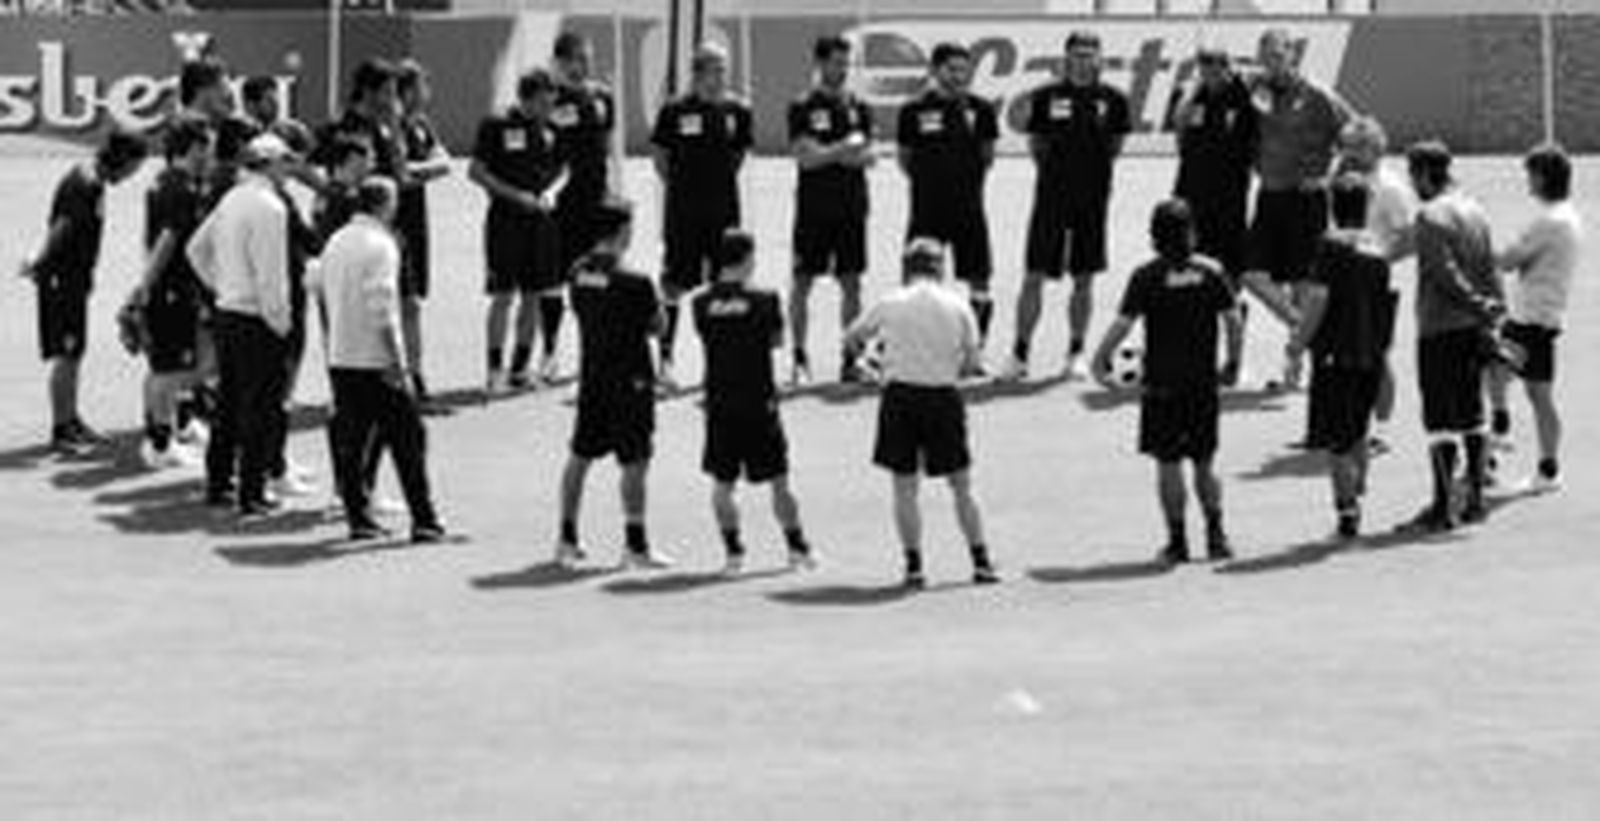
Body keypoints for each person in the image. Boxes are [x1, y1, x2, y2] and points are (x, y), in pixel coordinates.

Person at [1092, 199, 1243, 563]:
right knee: (1205, 464)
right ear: (1191, 231)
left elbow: (1123, 323)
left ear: (1154, 236)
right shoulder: (1211, 271)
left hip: (1161, 386)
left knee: (1168, 464)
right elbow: (1233, 320)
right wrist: (1233, 362)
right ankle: (1217, 536)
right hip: (1202, 385)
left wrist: (1100, 360)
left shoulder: (1146, 276)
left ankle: (1177, 542)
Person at [844, 238, 997, 589]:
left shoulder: (892, 301)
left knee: (904, 487)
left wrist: (868, 363)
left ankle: (914, 566)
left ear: (906, 268)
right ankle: (981, 561)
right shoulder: (958, 305)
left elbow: (852, 336)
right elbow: (973, 362)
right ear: (940, 269)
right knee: (961, 485)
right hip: (943, 396)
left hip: (900, 397)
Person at [318, 177, 447, 543]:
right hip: (374, 359)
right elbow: (383, 309)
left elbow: (319, 287)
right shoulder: (382, 245)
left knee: (353, 439)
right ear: (384, 205)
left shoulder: (336, 240)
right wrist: (397, 362)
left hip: (342, 355)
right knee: (409, 437)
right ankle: (424, 519)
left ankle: (357, 517)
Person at [553, 202, 674, 570]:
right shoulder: (635, 280)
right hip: (630, 380)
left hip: (593, 376)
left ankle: (566, 538)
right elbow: (658, 327)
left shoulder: (576, 272)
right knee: (635, 460)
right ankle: (635, 545)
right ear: (623, 231)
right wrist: (662, 301)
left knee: (580, 456)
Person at [1005, 31, 1132, 382]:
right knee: (1033, 276)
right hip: (1050, 200)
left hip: (1092, 201)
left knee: (1084, 279)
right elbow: (1036, 144)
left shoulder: (1114, 100)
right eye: (1077, 54)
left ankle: (1075, 351)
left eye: (1091, 54)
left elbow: (1115, 146)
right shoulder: (1046, 97)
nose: (1084, 60)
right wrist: (1056, 177)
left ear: (1100, 59)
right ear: (1066, 58)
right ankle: (1019, 354)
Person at [691, 230, 816, 576]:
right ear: (747, 259)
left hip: (719, 403)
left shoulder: (700, 302)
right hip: (758, 400)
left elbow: (707, 336)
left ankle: (733, 553)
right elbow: (776, 340)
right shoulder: (765, 298)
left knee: (722, 483)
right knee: (779, 480)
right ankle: (797, 548)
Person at [186, 133, 296, 518]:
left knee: (230, 403)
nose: (290, 167)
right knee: (261, 407)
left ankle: (220, 484)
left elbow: (195, 249)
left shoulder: (232, 198)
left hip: (228, 313)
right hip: (257, 318)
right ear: (267, 163)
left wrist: (222, 286)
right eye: (285, 160)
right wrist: (280, 322)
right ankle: (252, 493)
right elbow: (272, 276)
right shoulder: (270, 206)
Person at [1240, 28, 1357, 389]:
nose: (1272, 62)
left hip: (1307, 201)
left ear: (1293, 56)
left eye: (1278, 54)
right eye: (1266, 55)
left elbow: (1358, 136)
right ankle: (1303, 328)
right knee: (1252, 275)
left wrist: (1327, 177)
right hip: (1270, 196)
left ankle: (1296, 369)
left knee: (1302, 285)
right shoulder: (1257, 91)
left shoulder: (1319, 95)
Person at [18, 129, 148, 455]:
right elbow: (61, 226)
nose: (133, 176)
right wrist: (39, 258)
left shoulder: (94, 180)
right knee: (67, 354)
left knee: (75, 353)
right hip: (61, 280)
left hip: (74, 281)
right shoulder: (85, 183)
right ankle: (61, 430)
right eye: (135, 168)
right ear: (123, 159)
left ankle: (72, 421)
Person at [1403, 140, 1505, 532]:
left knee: (1440, 420)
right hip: (1473, 329)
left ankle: (1443, 509)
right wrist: (1494, 311)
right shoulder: (1474, 209)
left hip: (1441, 327)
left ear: (1426, 174)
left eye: (1413, 175)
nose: (1413, 184)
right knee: (1472, 414)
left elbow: (1445, 275)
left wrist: (1478, 305)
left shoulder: (1430, 215)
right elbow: (1490, 267)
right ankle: (1475, 502)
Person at [1286, 175, 1396, 539]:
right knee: (1358, 430)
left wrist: (1298, 344)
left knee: (1336, 442)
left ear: (1333, 206)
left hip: (1334, 354)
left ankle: (1347, 513)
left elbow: (1317, 299)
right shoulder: (1378, 248)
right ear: (1365, 207)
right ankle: (1358, 485)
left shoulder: (1330, 245)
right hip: (1370, 354)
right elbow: (1384, 307)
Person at [650, 42, 753, 390]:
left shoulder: (738, 109)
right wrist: (684, 191)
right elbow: (660, 157)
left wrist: (715, 188)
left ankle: (717, 366)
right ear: (698, 73)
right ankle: (665, 361)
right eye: (716, 69)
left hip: (724, 212)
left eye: (725, 69)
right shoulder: (675, 110)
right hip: (682, 213)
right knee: (675, 284)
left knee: (722, 286)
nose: (722, 76)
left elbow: (738, 156)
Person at [895, 43, 1000, 370]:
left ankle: (973, 354)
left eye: (963, 69)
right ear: (935, 70)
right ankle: (916, 353)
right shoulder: (913, 109)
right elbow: (905, 159)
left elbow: (987, 156)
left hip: (969, 210)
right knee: (918, 284)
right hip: (927, 210)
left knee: (979, 281)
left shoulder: (981, 109)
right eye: (951, 69)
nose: (958, 76)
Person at [1487, 144, 1582, 493]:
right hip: (1545, 316)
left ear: (1541, 178)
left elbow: (1508, 260)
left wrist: (1477, 247)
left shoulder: (1548, 221)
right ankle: (1547, 469)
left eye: (1530, 173)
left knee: (1494, 372)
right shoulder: (1566, 216)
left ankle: (1499, 433)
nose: (1527, 180)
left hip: (1529, 318)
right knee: (1537, 393)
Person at [470, 68, 568, 396]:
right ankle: (494, 370)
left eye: (551, 102)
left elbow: (562, 168)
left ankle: (520, 368)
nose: (548, 108)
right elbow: (477, 172)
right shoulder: (496, 125)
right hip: (505, 222)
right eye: (543, 102)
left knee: (534, 295)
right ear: (526, 99)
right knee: (503, 296)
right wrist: (516, 196)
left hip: (541, 222)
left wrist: (551, 192)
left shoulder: (552, 129)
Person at [787, 34, 875, 385]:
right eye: (837, 62)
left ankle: (851, 359)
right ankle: (799, 358)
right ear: (820, 63)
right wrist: (842, 148)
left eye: (846, 63)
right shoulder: (802, 105)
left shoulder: (860, 106)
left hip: (852, 208)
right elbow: (804, 159)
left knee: (852, 284)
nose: (842, 69)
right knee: (803, 282)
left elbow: (868, 157)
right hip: (813, 209)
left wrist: (827, 152)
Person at [1168, 46, 1257, 386]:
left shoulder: (1245, 95)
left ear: (1229, 66)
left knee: (1230, 282)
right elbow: (1179, 131)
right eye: (1205, 66)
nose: (1211, 71)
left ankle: (1234, 361)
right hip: (1191, 201)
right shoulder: (1190, 95)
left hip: (1230, 204)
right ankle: (1194, 357)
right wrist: (1190, 93)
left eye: (1219, 65)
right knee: (1189, 277)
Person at [127, 119, 209, 468]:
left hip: (165, 287)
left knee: (162, 367)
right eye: (205, 147)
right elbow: (167, 239)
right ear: (192, 148)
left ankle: (163, 436)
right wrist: (145, 286)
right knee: (170, 371)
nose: (209, 154)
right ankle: (160, 446)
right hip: (171, 289)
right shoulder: (183, 190)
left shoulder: (161, 182)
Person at [1334, 116, 1415, 452]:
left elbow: (1410, 236)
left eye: (1358, 147)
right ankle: (1348, 425)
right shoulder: (1340, 179)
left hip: (1374, 282)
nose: (1350, 153)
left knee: (1376, 357)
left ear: (1377, 149)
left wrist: (1380, 261)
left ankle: (1381, 429)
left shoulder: (1390, 187)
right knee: (1345, 356)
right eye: (1347, 146)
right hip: (1340, 277)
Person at [549, 30, 620, 384]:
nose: (586, 63)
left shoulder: (603, 95)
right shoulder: (553, 99)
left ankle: (591, 352)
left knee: (599, 275)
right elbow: (552, 152)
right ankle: (549, 353)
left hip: (597, 198)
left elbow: (604, 142)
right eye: (578, 57)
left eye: (588, 56)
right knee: (562, 277)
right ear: (562, 62)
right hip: (566, 201)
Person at [394, 59, 452, 408]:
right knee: (404, 305)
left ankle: (413, 379)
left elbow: (443, 160)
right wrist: (425, 169)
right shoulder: (390, 126)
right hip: (392, 224)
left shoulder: (420, 124)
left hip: (417, 224)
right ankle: (405, 381)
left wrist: (422, 170)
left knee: (412, 304)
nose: (427, 92)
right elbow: (400, 172)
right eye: (422, 85)